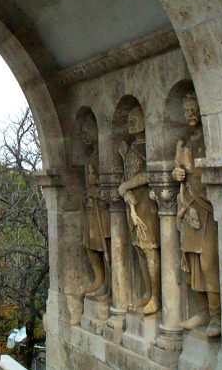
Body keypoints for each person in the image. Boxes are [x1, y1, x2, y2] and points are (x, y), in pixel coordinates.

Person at [172, 92, 220, 336]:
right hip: (188, 205)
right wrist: (177, 173)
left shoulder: (210, 137)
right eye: (187, 111)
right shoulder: (189, 140)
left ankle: (217, 316)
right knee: (192, 262)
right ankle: (202, 311)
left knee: (208, 261)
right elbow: (179, 171)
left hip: (207, 207)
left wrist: (187, 167)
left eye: (194, 110)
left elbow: (210, 172)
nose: (190, 115)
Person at [118, 106, 160, 314]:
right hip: (132, 203)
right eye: (129, 120)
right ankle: (148, 291)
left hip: (145, 204)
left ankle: (157, 296)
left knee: (148, 248)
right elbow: (126, 178)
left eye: (135, 119)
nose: (131, 123)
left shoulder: (144, 148)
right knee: (138, 249)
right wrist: (125, 192)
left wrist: (126, 187)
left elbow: (149, 174)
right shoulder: (132, 147)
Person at [80, 117, 111, 299]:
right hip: (92, 207)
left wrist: (97, 183)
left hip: (103, 209)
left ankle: (108, 283)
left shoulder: (104, 156)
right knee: (89, 245)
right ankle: (99, 279)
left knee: (104, 245)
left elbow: (110, 184)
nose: (84, 137)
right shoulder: (91, 156)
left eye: (86, 132)